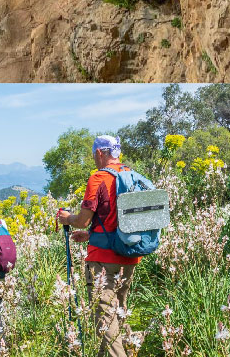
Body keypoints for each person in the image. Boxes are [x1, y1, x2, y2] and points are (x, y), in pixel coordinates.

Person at [55, 135, 142, 357]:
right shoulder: (131, 175)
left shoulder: (98, 178)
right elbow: (116, 219)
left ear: (100, 153)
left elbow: (83, 218)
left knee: (106, 319)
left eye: (94, 154)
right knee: (120, 312)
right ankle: (131, 352)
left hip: (103, 259)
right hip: (130, 255)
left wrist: (67, 218)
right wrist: (91, 233)